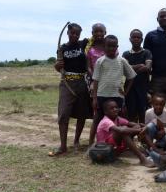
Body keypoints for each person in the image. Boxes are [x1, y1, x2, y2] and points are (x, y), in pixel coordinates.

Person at [49, 23, 92, 156]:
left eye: (77, 33)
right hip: (67, 83)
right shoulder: (62, 48)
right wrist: (57, 66)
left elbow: (96, 38)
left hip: (82, 82)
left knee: (82, 113)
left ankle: (76, 141)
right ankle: (63, 146)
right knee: (63, 114)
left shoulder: (83, 44)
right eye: (72, 33)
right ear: (67, 33)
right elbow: (59, 67)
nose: (74, 35)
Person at [90, 35, 137, 146]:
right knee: (97, 119)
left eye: (113, 46)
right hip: (102, 95)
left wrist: (125, 92)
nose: (111, 48)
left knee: (121, 120)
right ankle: (91, 143)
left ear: (117, 46)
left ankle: (125, 143)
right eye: (108, 46)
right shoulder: (100, 61)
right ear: (104, 47)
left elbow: (131, 76)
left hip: (117, 96)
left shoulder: (122, 61)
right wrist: (95, 98)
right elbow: (95, 80)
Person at [96, 100, 155, 167]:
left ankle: (154, 150)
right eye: (112, 108)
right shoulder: (105, 121)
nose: (115, 109)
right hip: (104, 149)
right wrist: (139, 130)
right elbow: (121, 130)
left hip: (115, 147)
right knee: (123, 131)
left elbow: (132, 124)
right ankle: (142, 158)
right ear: (105, 112)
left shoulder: (117, 118)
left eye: (116, 107)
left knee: (135, 127)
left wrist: (141, 126)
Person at [122, 29, 152, 123]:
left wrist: (130, 68)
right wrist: (140, 65)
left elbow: (147, 67)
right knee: (131, 113)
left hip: (144, 87)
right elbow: (124, 70)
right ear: (130, 39)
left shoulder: (146, 52)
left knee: (143, 112)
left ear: (142, 39)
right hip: (129, 88)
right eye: (133, 37)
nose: (136, 39)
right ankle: (132, 135)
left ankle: (142, 136)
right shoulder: (126, 54)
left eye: (138, 37)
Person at [86, 23, 106, 145]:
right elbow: (88, 66)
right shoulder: (90, 49)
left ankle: (106, 139)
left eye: (101, 31)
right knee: (97, 113)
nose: (98, 34)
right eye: (95, 32)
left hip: (109, 82)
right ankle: (91, 142)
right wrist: (95, 77)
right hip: (95, 82)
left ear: (105, 32)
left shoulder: (108, 46)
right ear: (92, 33)